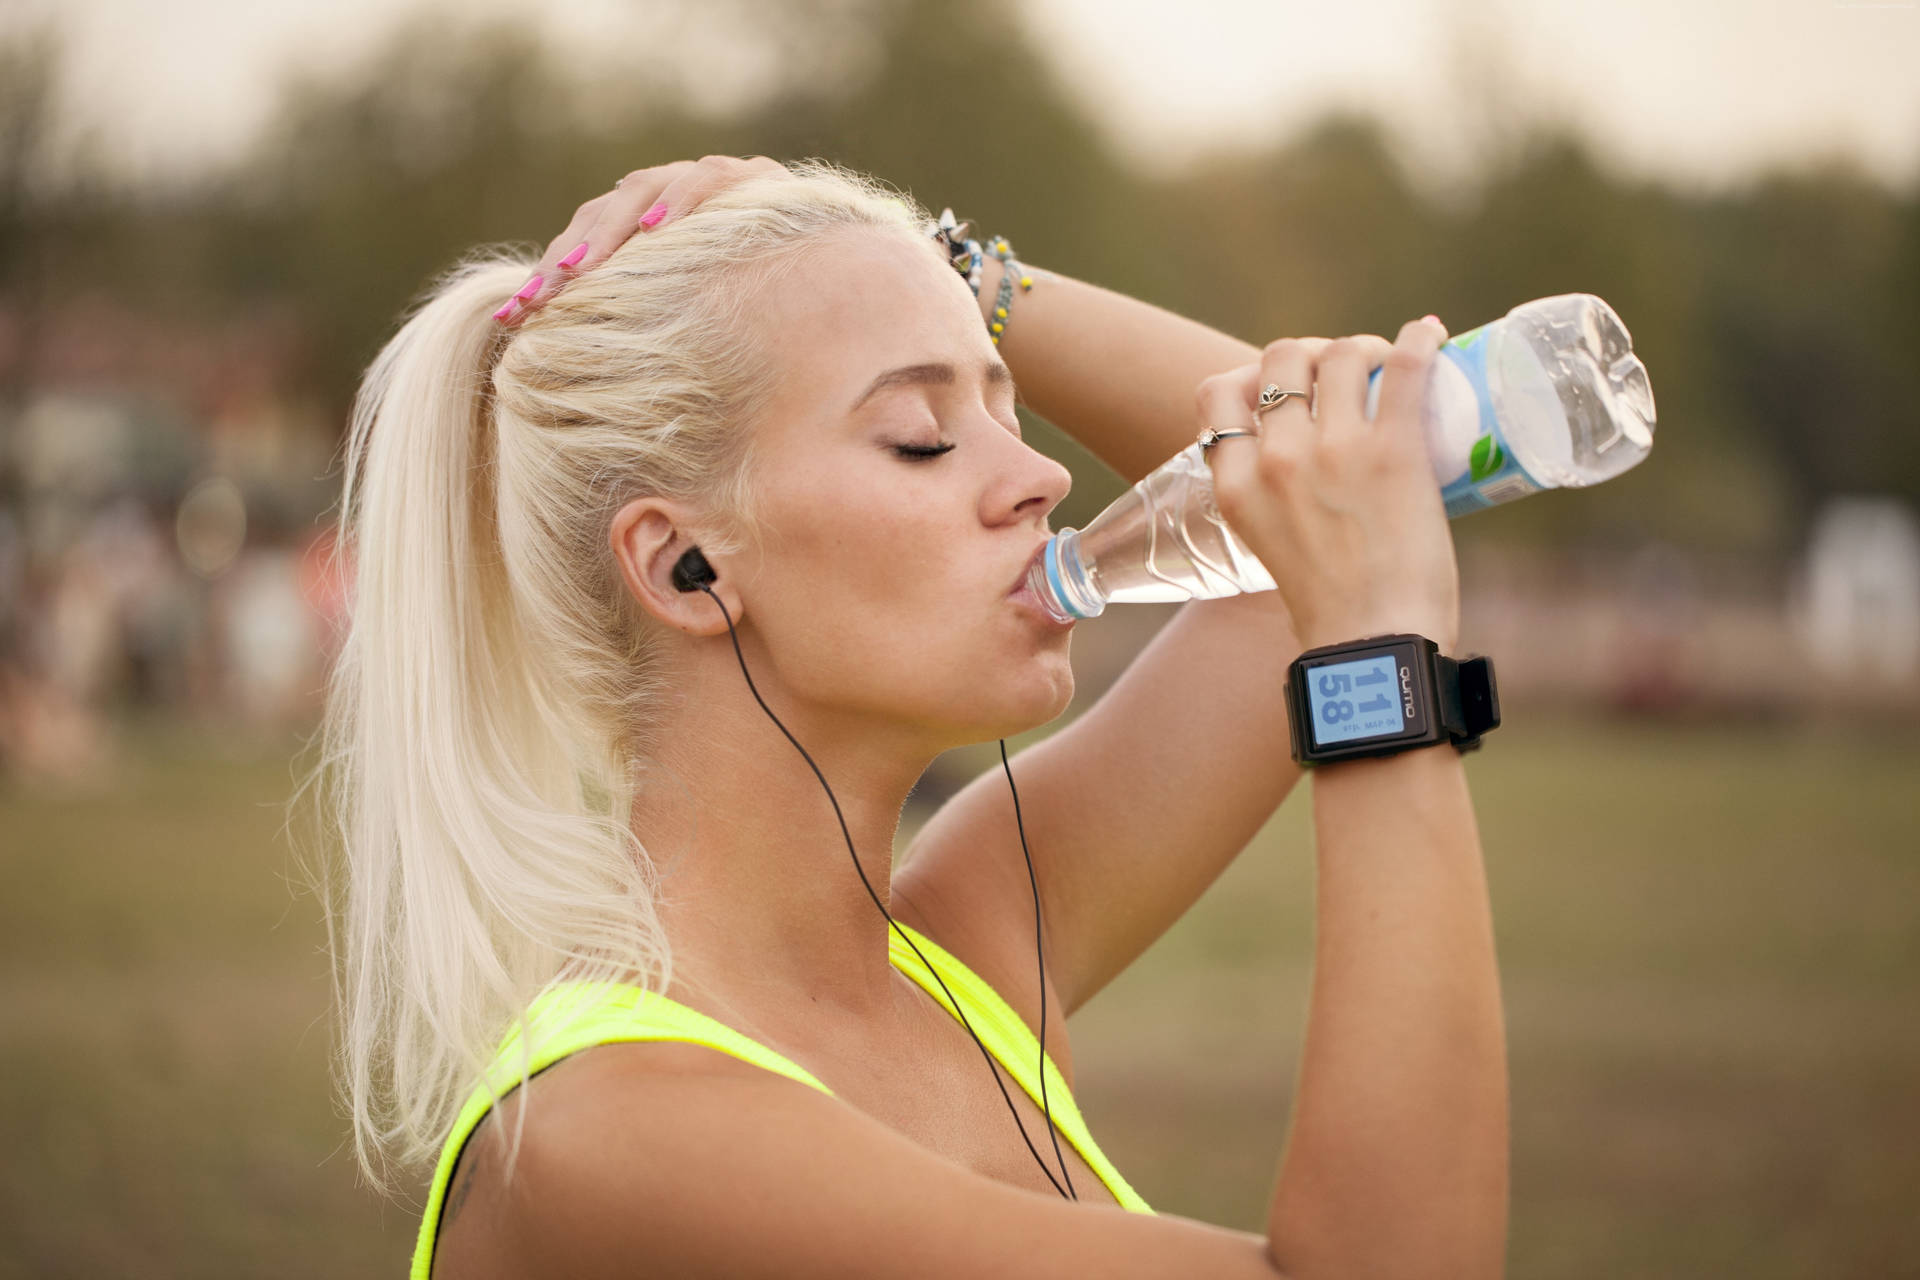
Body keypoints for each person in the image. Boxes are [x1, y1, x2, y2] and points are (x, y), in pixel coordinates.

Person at [320, 156, 1506, 1279]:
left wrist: (950, 273)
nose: (1041, 478)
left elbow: (1321, 477)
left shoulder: (976, 943)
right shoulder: (615, 1130)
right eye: (924, 437)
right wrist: (1379, 659)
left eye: (1008, 409)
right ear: (683, 560)